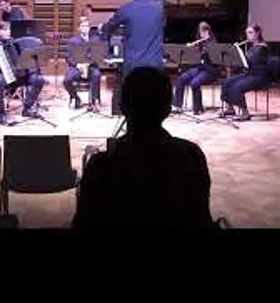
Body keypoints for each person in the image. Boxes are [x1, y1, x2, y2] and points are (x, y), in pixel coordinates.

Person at [72, 67, 215, 230]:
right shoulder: (192, 156)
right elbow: (201, 218)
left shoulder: (101, 166)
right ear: (168, 109)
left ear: (122, 107)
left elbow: (84, 225)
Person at [101, 0, 164, 78]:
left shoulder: (126, 9)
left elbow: (109, 28)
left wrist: (104, 31)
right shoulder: (159, 9)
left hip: (133, 65)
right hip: (155, 64)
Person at [0, 21, 45, 120]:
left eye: (9, 29)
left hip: (19, 75)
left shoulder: (14, 43)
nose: (8, 32)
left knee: (38, 79)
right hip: (3, 76)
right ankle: (2, 113)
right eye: (5, 30)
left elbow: (23, 58)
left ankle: (27, 108)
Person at [219, 23, 271, 122]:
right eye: (247, 33)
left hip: (259, 77)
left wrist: (237, 51)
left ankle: (245, 113)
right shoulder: (253, 47)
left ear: (258, 33)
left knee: (237, 87)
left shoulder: (262, 48)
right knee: (226, 82)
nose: (248, 36)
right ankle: (230, 108)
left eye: (251, 33)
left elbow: (249, 61)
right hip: (249, 74)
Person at [173, 21, 218, 115]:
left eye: (204, 31)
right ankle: (177, 106)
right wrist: (191, 49)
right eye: (201, 32)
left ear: (208, 31)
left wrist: (207, 45)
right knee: (181, 79)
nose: (202, 34)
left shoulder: (213, 43)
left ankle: (198, 108)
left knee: (194, 83)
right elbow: (196, 57)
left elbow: (214, 60)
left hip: (210, 70)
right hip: (200, 68)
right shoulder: (200, 42)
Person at [64, 16, 102, 109]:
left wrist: (89, 63)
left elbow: (98, 55)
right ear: (79, 28)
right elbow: (68, 56)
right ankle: (75, 97)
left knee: (97, 75)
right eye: (83, 26)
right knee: (67, 80)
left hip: (91, 66)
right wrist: (77, 64)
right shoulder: (73, 41)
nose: (85, 28)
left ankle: (94, 101)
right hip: (77, 67)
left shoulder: (95, 40)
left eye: (87, 26)